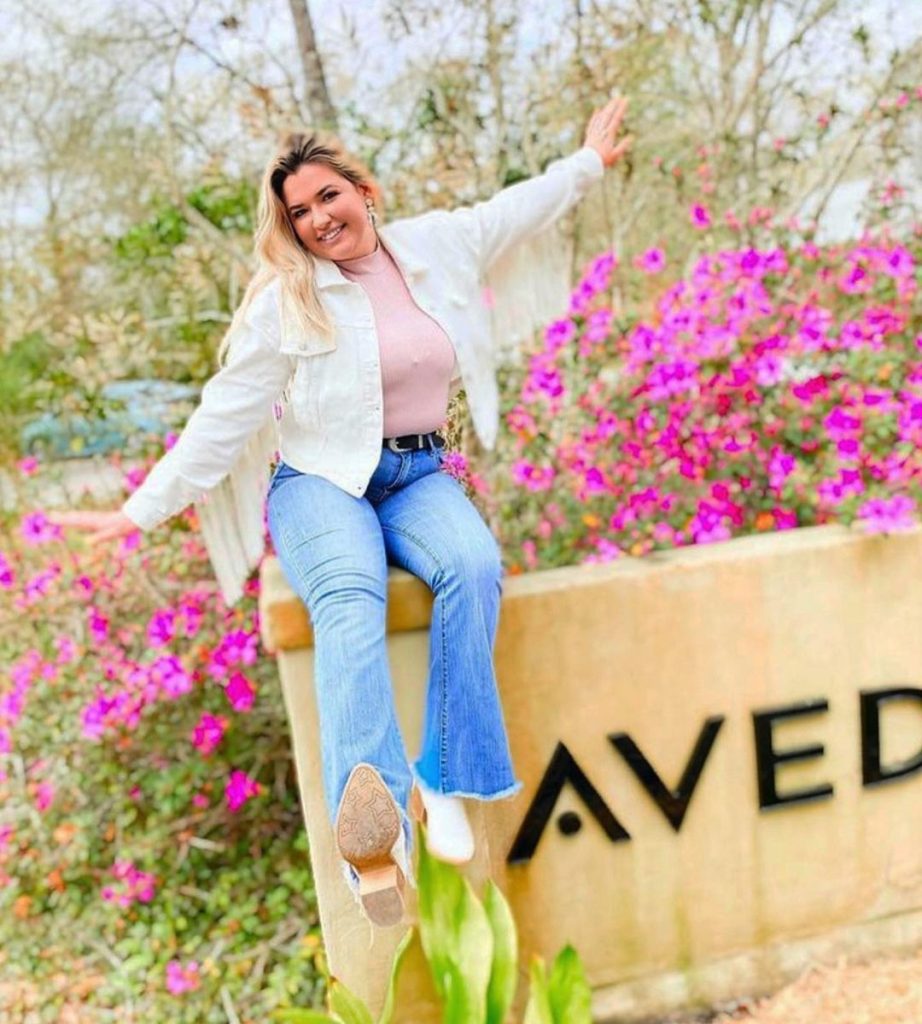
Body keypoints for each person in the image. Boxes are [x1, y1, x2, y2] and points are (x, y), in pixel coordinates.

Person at [49, 95, 632, 927]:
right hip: (321, 484)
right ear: (288, 229)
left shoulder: (437, 246)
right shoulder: (287, 301)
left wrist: (587, 163)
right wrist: (140, 511)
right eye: (300, 212)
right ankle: (375, 843)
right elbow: (226, 415)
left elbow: (519, 207)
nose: (320, 218)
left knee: (472, 566)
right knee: (350, 596)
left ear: (364, 191)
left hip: (418, 473)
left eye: (330, 196)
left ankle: (443, 773)